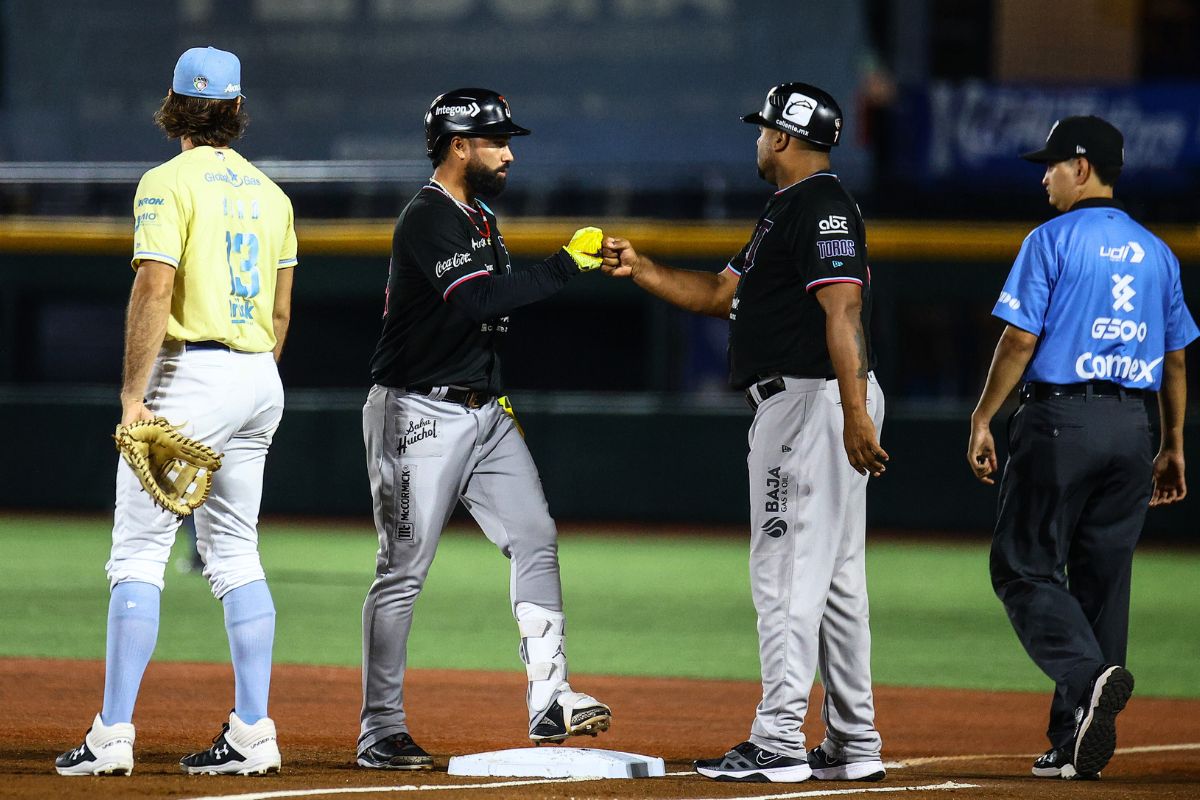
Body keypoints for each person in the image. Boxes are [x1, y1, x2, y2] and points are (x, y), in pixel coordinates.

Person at [603, 83, 888, 784]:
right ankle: (853, 742)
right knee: (837, 581)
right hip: (818, 401)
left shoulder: (818, 205)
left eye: (764, 131)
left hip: (812, 401)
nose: (758, 140)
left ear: (786, 139)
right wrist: (640, 268)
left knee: (787, 574)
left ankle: (779, 738)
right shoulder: (788, 210)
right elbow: (719, 295)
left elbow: (843, 311)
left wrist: (852, 411)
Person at [55, 46, 297, 777]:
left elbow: (153, 290)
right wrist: (248, 386)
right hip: (259, 377)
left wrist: (135, 395)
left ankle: (112, 735)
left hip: (190, 379)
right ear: (235, 108)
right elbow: (282, 311)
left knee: (137, 554)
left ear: (173, 106)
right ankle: (254, 731)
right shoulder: (273, 194)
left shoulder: (165, 182)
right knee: (236, 554)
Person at [356, 88, 611, 770]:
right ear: (458, 146)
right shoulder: (428, 218)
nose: (509, 152)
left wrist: (491, 394)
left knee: (535, 538)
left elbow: (487, 321)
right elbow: (477, 299)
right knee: (403, 571)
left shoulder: (483, 218)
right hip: (415, 411)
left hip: (481, 411)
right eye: (497, 140)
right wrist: (564, 265)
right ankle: (380, 728)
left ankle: (549, 698)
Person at [967, 115, 1197, 780]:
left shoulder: (1051, 239)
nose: (1044, 177)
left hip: (1061, 421)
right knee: (1103, 582)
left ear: (1083, 167)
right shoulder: (1158, 253)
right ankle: (1073, 737)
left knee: (1021, 567)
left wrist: (984, 416)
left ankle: (1090, 678)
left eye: (1052, 165)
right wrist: (1173, 443)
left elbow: (1018, 341)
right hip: (1132, 430)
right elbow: (1176, 359)